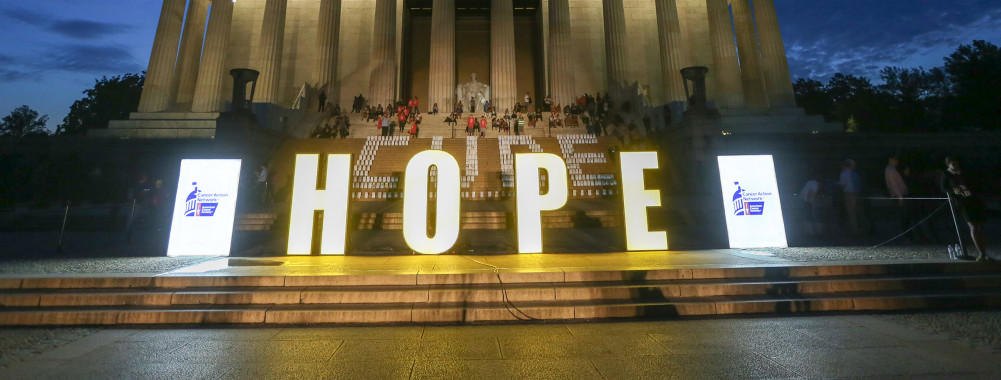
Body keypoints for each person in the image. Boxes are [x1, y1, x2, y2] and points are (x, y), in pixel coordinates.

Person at [940, 157, 991, 262]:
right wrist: (955, 191)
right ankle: (981, 253)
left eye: (956, 162)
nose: (954, 164)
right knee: (973, 226)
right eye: (952, 163)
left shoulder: (964, 172)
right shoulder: (947, 174)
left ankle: (984, 252)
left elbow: (975, 184)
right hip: (963, 203)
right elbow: (944, 188)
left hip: (974, 201)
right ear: (948, 164)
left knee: (980, 226)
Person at [885, 155, 912, 242]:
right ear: (891, 160)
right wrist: (900, 197)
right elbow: (894, 185)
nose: (897, 162)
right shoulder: (891, 170)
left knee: (905, 215)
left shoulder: (889, 170)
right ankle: (907, 235)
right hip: (900, 195)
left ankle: (907, 235)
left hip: (899, 194)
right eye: (895, 160)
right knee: (905, 215)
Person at [838, 159, 862, 236]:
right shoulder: (855, 173)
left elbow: (842, 184)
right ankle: (864, 228)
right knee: (858, 211)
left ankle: (855, 230)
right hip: (857, 193)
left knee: (851, 212)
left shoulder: (843, 173)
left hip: (848, 193)